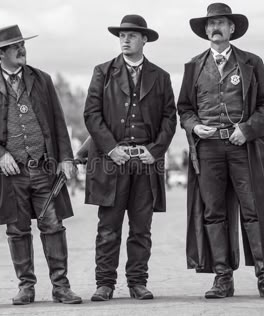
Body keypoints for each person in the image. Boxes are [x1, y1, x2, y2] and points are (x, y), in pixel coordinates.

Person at [177, 3, 264, 299]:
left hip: (243, 146)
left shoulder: (252, 63)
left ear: (231, 29)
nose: (215, 27)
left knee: (254, 211)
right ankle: (222, 278)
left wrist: (248, 129)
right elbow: (185, 108)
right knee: (213, 213)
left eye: (221, 22)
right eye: (210, 23)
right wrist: (193, 126)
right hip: (208, 149)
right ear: (205, 31)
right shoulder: (193, 66)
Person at [0, 25, 82, 305]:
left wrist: (66, 158)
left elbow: (57, 120)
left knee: (53, 226)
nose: (22, 49)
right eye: (14, 46)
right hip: (12, 173)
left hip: (44, 168)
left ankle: (61, 286)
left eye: (22, 43)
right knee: (17, 229)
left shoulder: (42, 80)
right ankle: (26, 287)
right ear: (0, 53)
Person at [84, 15, 177, 301]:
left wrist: (155, 150)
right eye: (122, 35)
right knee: (108, 229)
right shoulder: (103, 72)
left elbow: (169, 119)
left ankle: (138, 282)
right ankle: (105, 284)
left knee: (141, 229)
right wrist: (111, 148)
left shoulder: (160, 77)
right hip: (111, 161)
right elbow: (91, 114)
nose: (125, 40)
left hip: (146, 162)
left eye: (132, 35)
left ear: (144, 39)